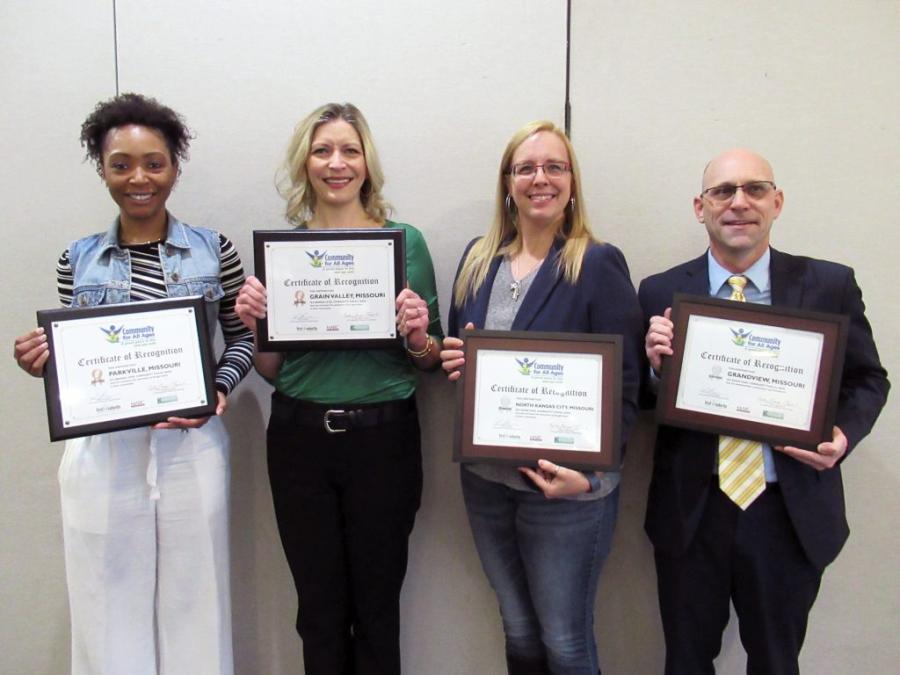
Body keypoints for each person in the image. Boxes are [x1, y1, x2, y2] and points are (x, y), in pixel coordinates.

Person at [12, 93, 254, 675]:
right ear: (103, 170)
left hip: (191, 446)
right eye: (121, 164)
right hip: (104, 452)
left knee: (197, 601)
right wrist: (45, 361)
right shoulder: (79, 258)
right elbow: (79, 362)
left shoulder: (212, 249)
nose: (138, 178)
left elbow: (244, 338)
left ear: (174, 167)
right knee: (103, 599)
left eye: (154, 162)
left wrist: (215, 393)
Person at [640, 148, 889, 675]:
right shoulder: (660, 291)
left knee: (777, 663)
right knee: (685, 661)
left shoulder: (828, 285)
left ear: (777, 202)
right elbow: (640, 401)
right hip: (693, 510)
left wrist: (841, 437)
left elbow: (869, 379)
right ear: (699, 207)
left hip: (786, 510)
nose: (739, 203)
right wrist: (656, 369)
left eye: (754, 189)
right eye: (722, 192)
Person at [234, 102, 442, 675]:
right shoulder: (285, 253)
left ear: (367, 163)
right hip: (300, 442)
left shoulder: (407, 243)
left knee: (377, 610)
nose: (336, 163)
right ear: (305, 164)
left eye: (349, 150)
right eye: (322, 150)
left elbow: (430, 362)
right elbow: (275, 370)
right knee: (318, 612)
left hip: (384, 443)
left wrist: (419, 333)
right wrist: (258, 328)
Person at [439, 121, 644, 674]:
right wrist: (451, 359)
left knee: (565, 643)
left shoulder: (596, 263)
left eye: (555, 167)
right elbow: (463, 354)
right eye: (526, 167)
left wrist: (595, 478)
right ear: (508, 182)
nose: (540, 179)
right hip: (487, 483)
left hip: (567, 493)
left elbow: (628, 384)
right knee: (520, 633)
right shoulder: (477, 260)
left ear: (572, 183)